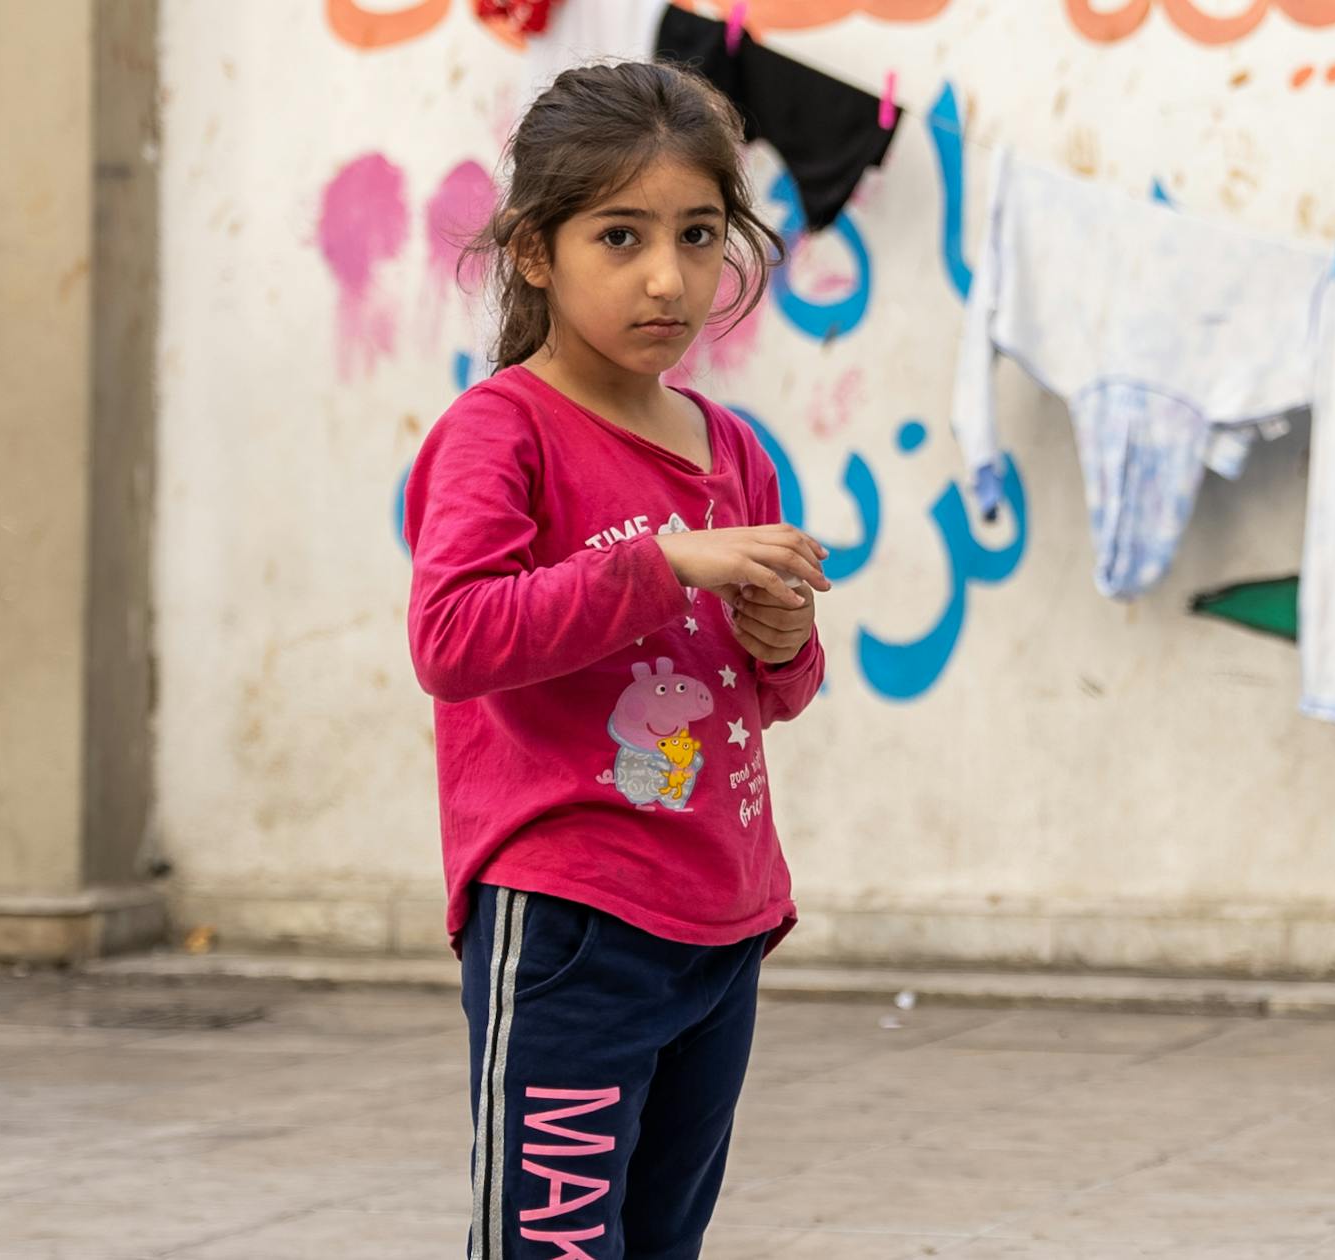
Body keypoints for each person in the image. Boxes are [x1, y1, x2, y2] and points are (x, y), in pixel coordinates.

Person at [403, 58, 834, 1259]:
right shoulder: (503, 430)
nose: (667, 277)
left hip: (722, 921)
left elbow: (772, 689)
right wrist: (666, 563)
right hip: (572, 924)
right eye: (620, 236)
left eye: (698, 234)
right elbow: (452, 637)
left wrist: (785, 640)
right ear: (536, 253)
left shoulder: (730, 443)